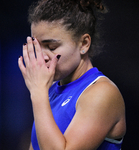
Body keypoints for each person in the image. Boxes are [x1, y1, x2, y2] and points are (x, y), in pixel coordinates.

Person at [18, 0, 126, 149]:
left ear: (84, 44)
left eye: (51, 46)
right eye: (37, 46)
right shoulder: (49, 92)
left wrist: (37, 92)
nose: (42, 56)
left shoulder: (102, 93)